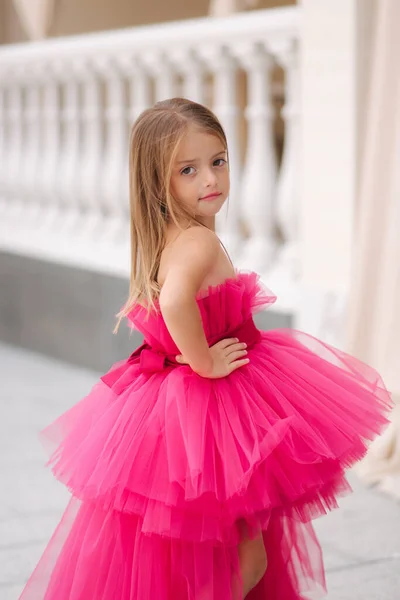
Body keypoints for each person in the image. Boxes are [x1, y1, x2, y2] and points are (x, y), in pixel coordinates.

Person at [19, 98, 392, 600]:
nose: (210, 179)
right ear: (159, 182)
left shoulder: (171, 237)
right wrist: (204, 359)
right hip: (216, 406)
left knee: (205, 548)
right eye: (188, 170)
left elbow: (174, 299)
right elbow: (175, 301)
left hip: (182, 404)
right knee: (249, 557)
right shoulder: (198, 242)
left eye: (218, 161)